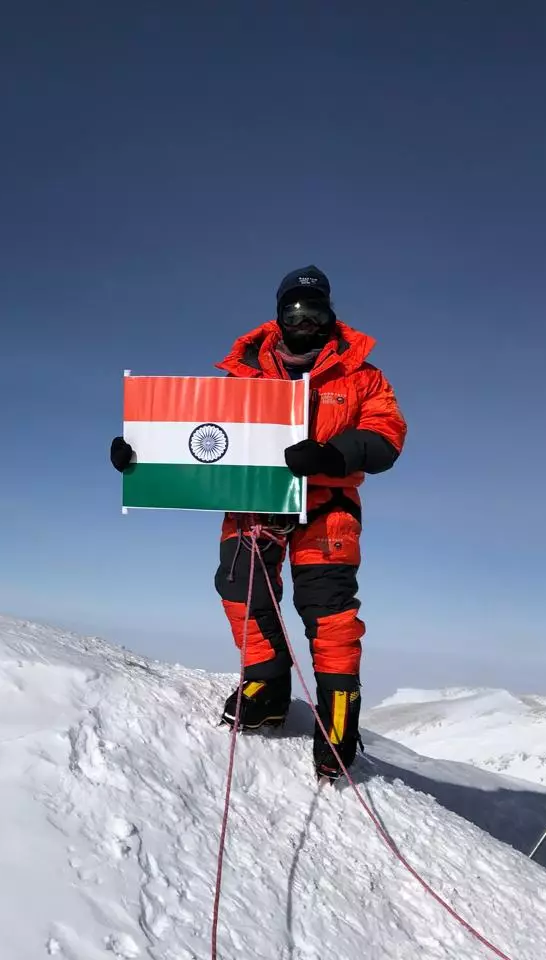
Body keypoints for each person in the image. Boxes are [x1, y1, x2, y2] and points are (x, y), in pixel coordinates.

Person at [108, 265, 407, 781]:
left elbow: (386, 437)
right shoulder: (245, 373)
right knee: (241, 590)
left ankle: (338, 718)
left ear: (329, 314)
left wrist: (332, 454)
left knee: (328, 609)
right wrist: (139, 456)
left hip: (326, 506)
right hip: (253, 504)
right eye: (295, 311)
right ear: (279, 313)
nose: (304, 321)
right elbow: (204, 438)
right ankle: (267, 686)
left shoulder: (363, 376)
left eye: (313, 311)